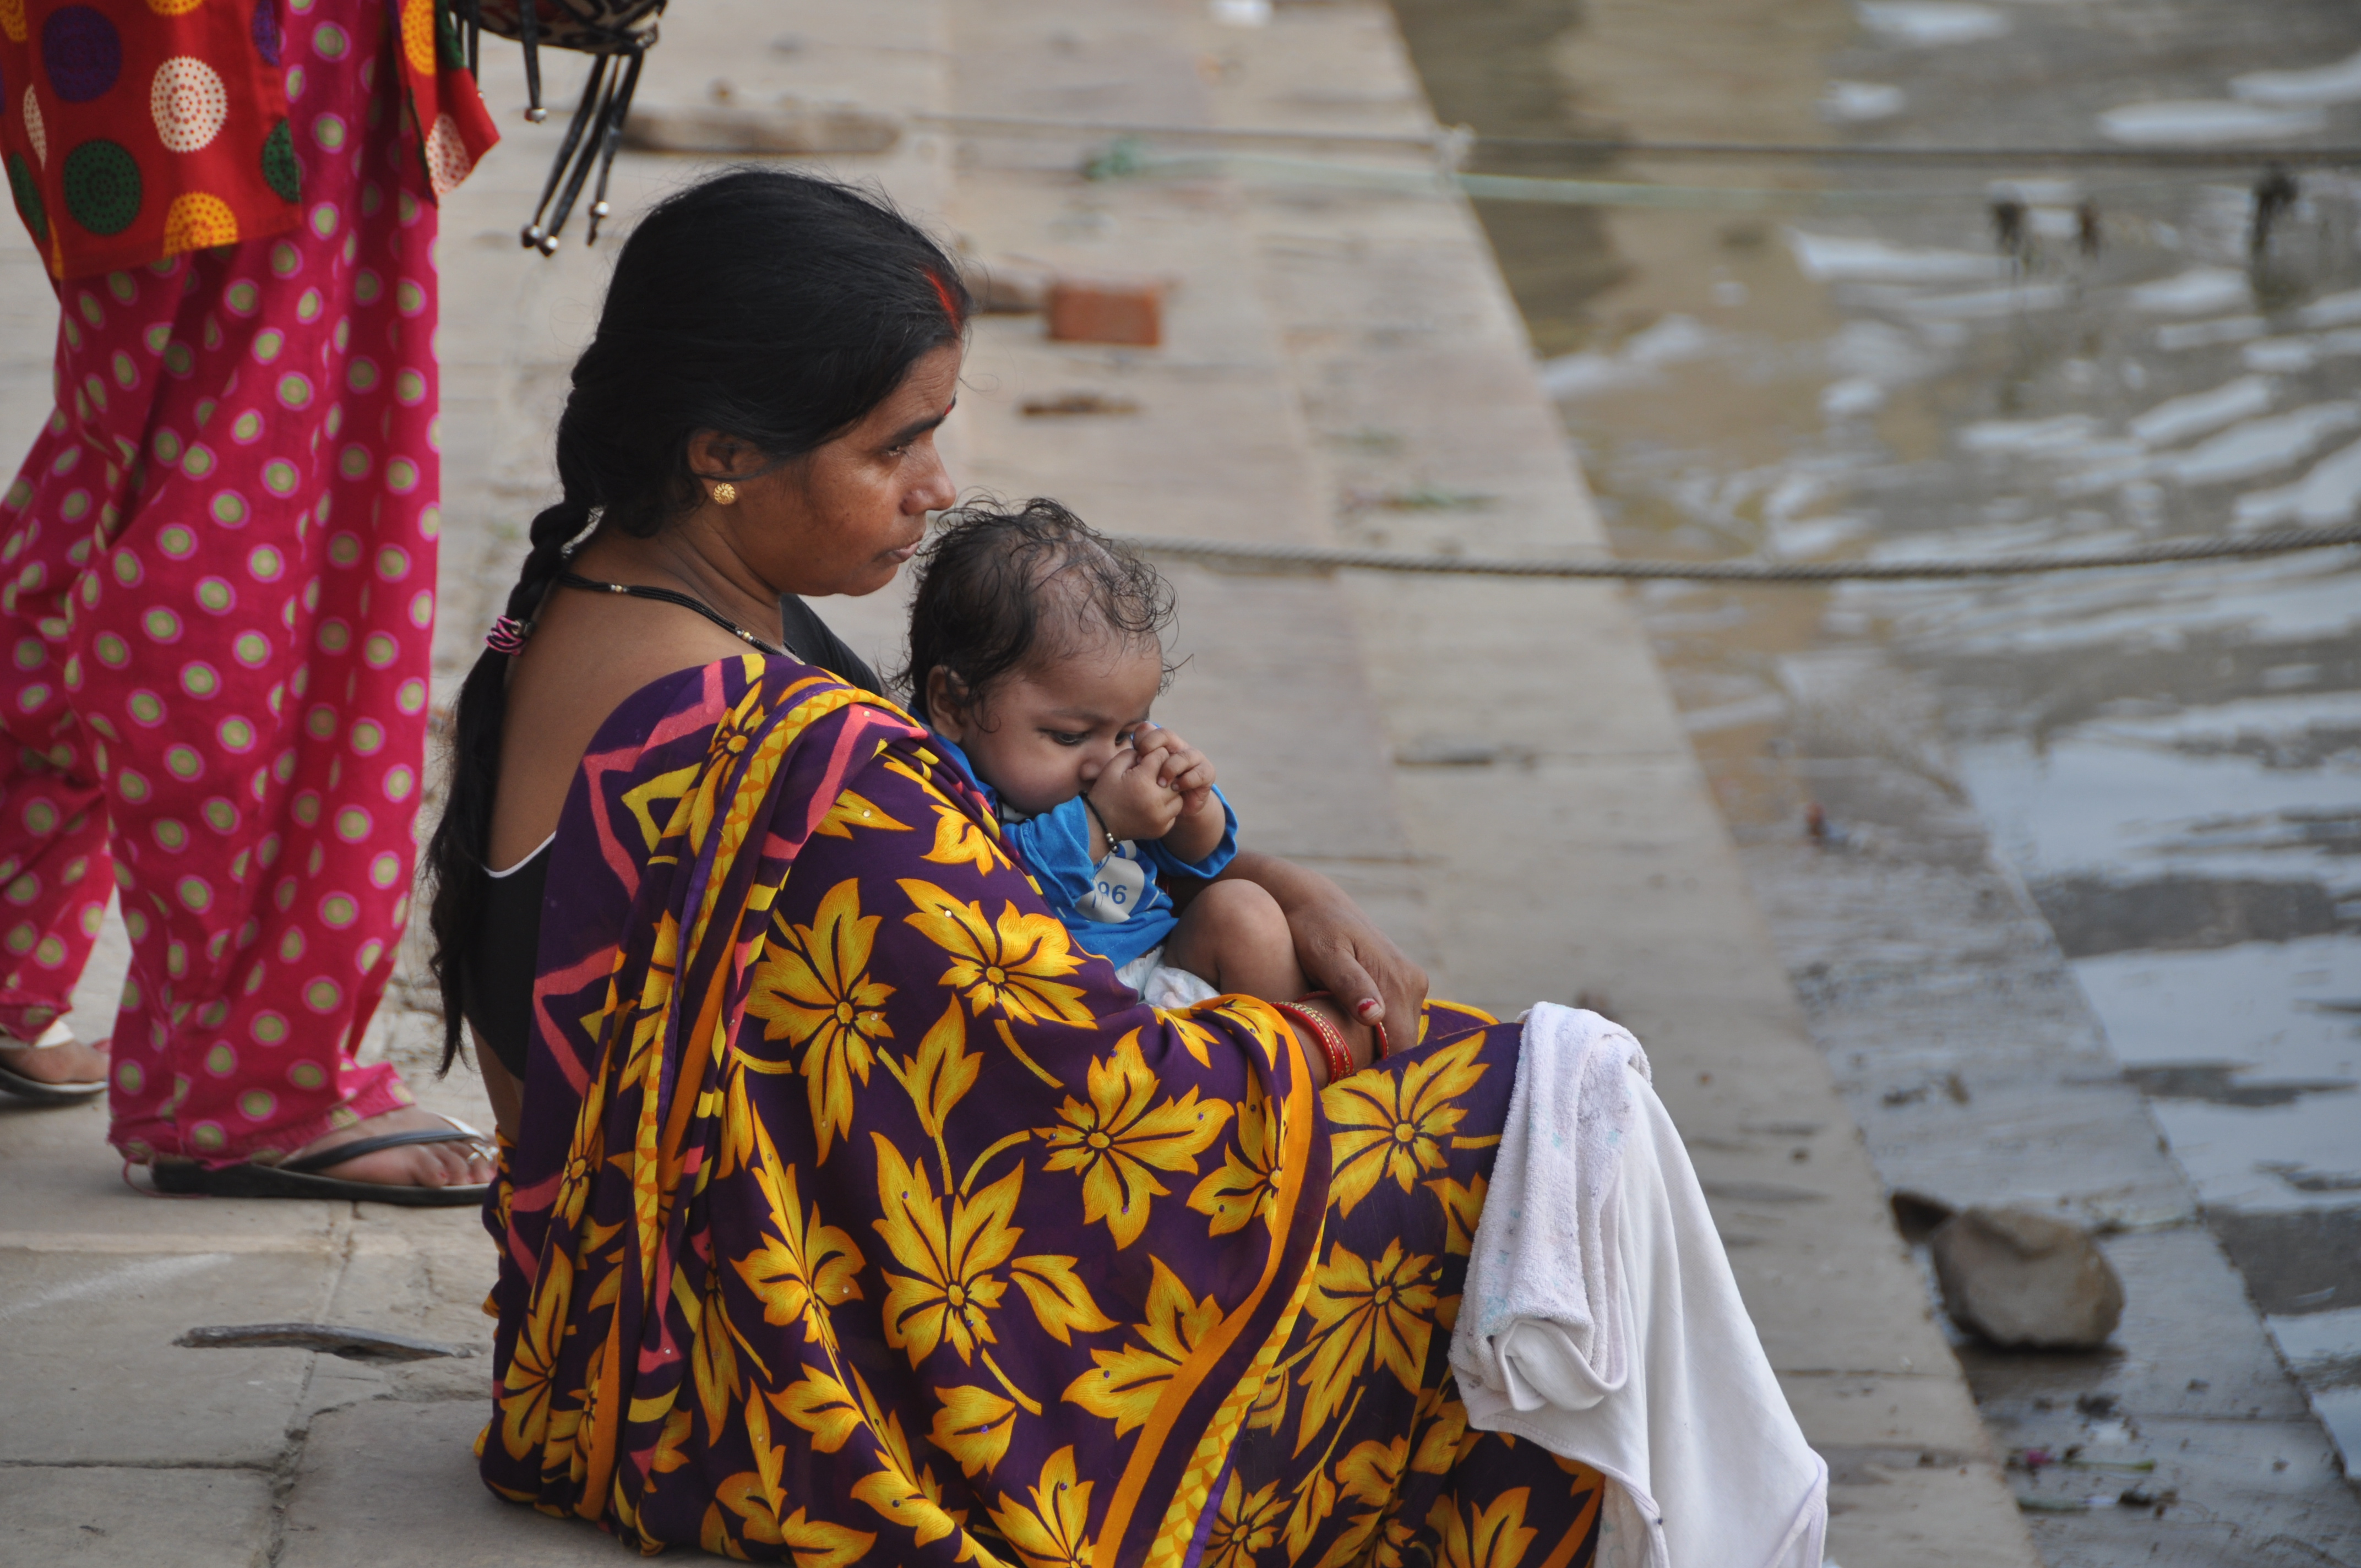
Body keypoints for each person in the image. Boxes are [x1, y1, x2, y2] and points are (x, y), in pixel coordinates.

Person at [438, 166, 1609, 1565]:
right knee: (1522, 1141)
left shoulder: (605, 601)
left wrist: (1264, 880)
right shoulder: (789, 754)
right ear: (723, 452)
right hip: (721, 1387)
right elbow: (1086, 1097)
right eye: (896, 447)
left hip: (608, 1335)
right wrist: (1326, 1041)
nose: (939, 489)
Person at [0, 0, 502, 1198]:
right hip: (249, 35)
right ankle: (242, 1074)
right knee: (268, 502)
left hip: (156, 44)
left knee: (137, 441)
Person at [903, 499, 1310, 1013]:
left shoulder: (1118, 759)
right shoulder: (935, 780)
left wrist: (1192, 805)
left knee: (1245, 911)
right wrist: (1103, 822)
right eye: (1069, 737)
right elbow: (992, 886)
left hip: (1163, 968)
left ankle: (1284, 1072)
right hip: (1053, 1005)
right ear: (953, 705)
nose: (1107, 763)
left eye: (1127, 732)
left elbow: (1201, 862)